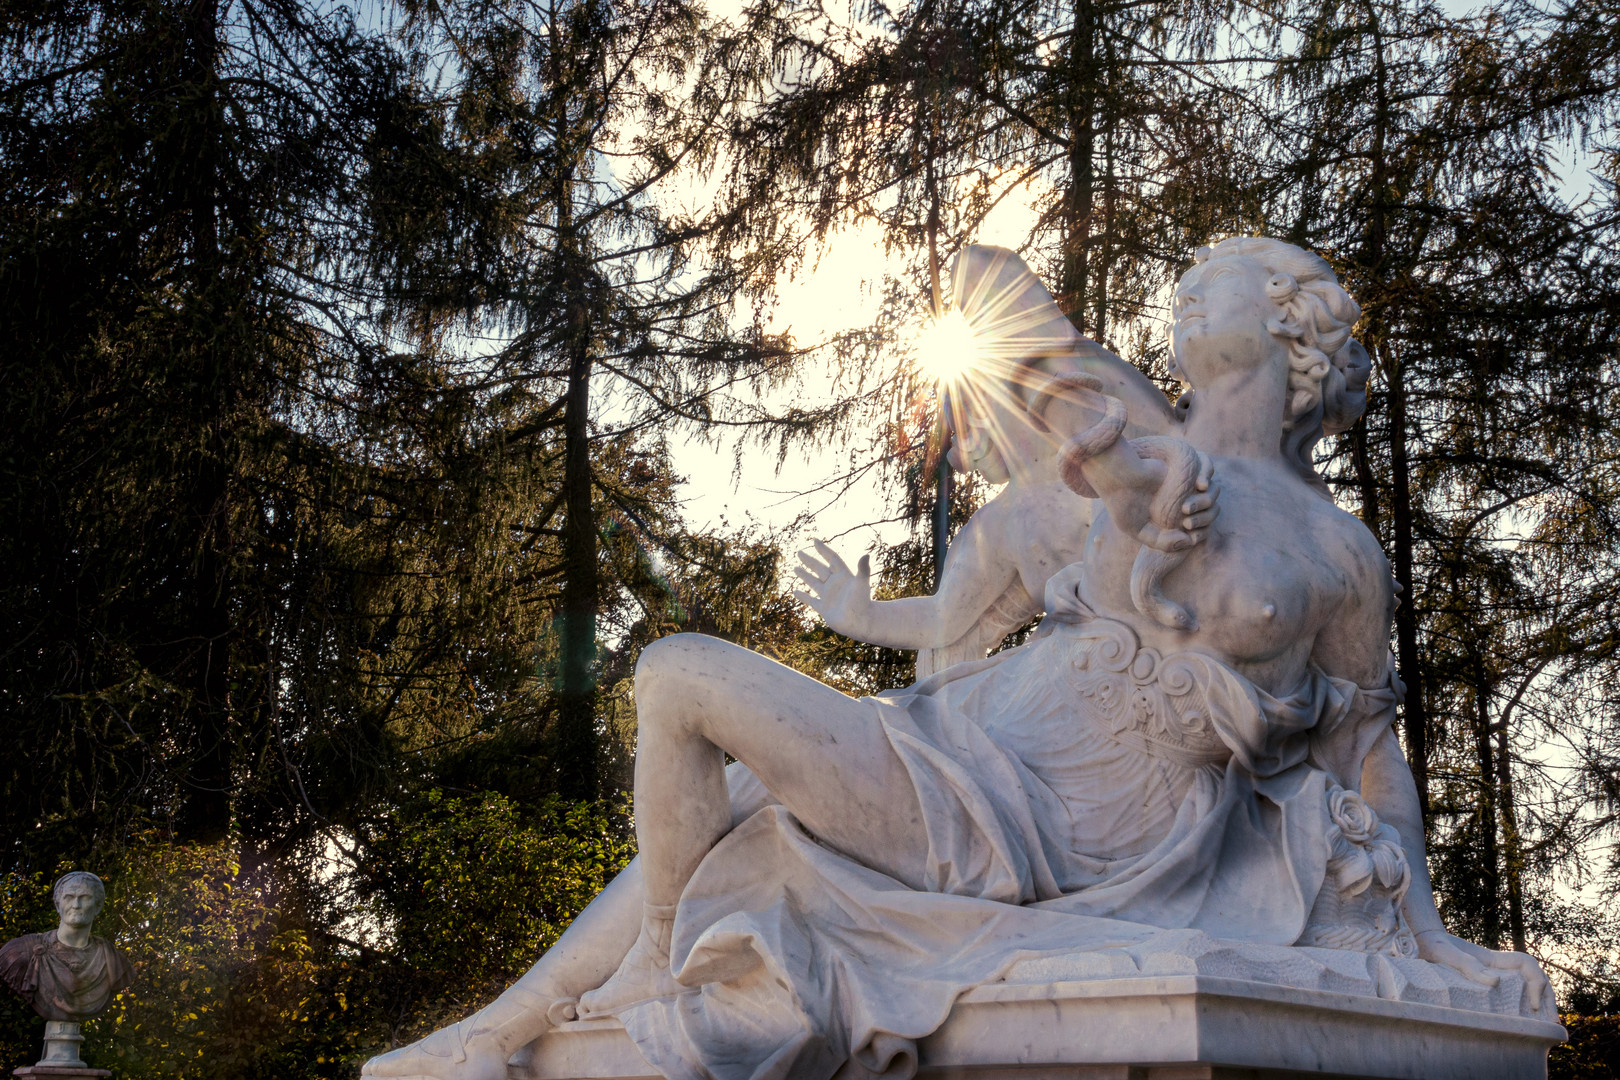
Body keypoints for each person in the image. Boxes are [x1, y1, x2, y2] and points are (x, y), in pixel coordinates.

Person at [363, 239, 1550, 1080]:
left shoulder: (1338, 552)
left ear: (1289, 325)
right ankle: (503, 1026)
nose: (1186, 292)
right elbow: (1006, 332)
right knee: (728, 798)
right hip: (968, 736)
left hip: (1062, 816)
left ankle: (643, 981)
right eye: (1182, 282)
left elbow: (1366, 754)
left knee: (678, 674)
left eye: (1214, 281)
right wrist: (1085, 462)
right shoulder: (1136, 441)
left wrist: (1425, 932)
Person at [795, 247, 1210, 679]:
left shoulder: (1091, 401)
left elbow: (1176, 435)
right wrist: (860, 618)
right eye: (960, 431)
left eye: (970, 423)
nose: (962, 451)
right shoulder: (997, 527)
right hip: (1104, 678)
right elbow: (943, 621)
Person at [0, 871, 133, 1023]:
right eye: (69, 897)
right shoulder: (19, 952)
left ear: (98, 906)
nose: (76, 905)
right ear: (57, 905)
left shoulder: (112, 960)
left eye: (85, 898)